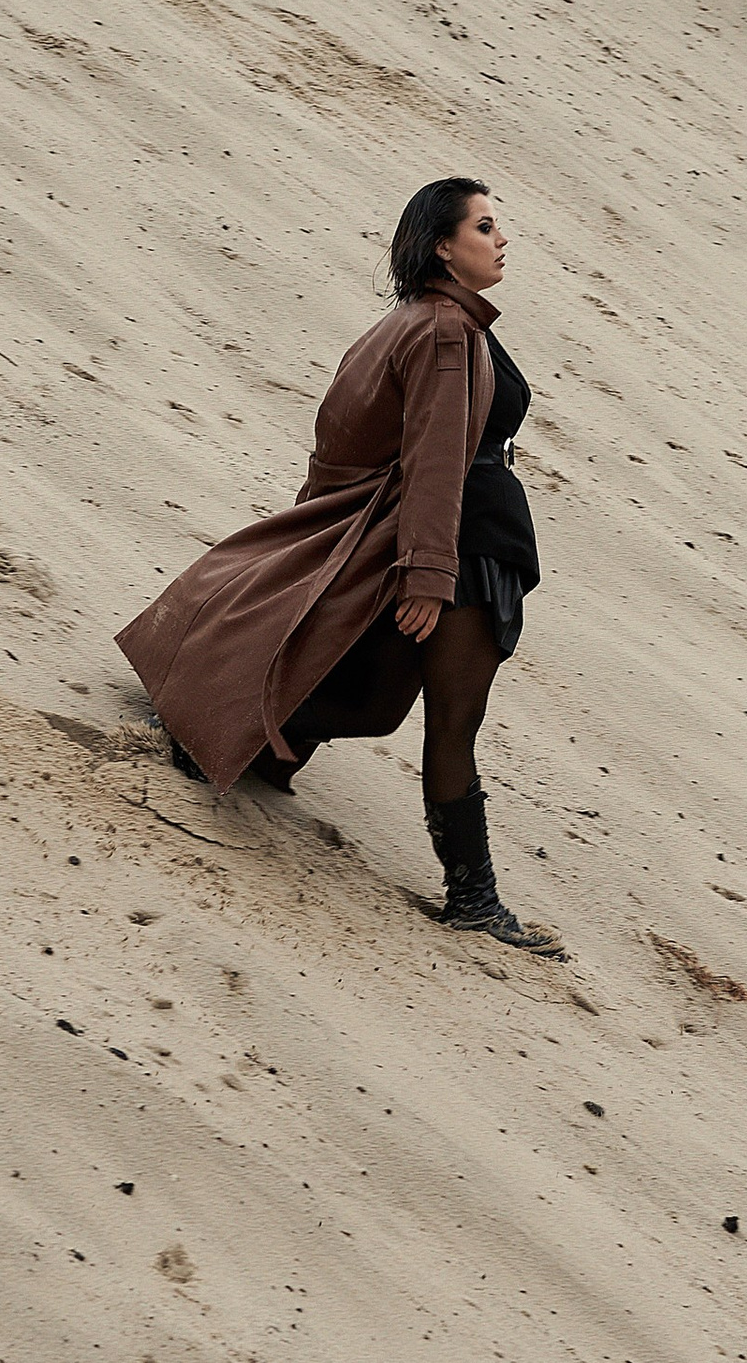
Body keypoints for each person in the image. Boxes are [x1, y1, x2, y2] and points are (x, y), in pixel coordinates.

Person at [114, 180, 558, 950]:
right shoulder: (448, 332)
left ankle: (224, 732)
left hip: (445, 536)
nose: (501, 238)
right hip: (468, 545)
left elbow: (349, 437)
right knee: (452, 722)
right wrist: (428, 571)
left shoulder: (414, 321)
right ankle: (474, 899)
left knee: (374, 692)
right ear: (443, 246)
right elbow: (434, 461)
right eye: (485, 226)